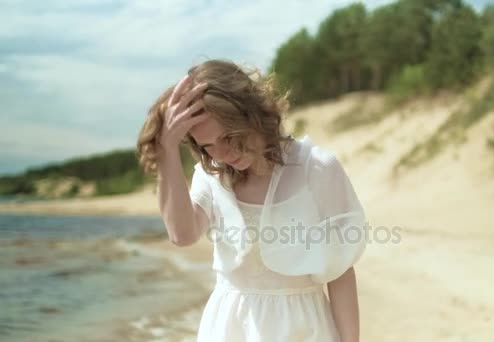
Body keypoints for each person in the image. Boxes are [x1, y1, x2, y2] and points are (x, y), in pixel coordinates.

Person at [137, 59, 367, 342]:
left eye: (228, 136)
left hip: (303, 328)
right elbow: (182, 234)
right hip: (229, 328)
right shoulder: (211, 178)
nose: (222, 154)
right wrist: (167, 150)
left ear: (251, 113)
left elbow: (340, 273)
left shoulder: (317, 168)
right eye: (208, 146)